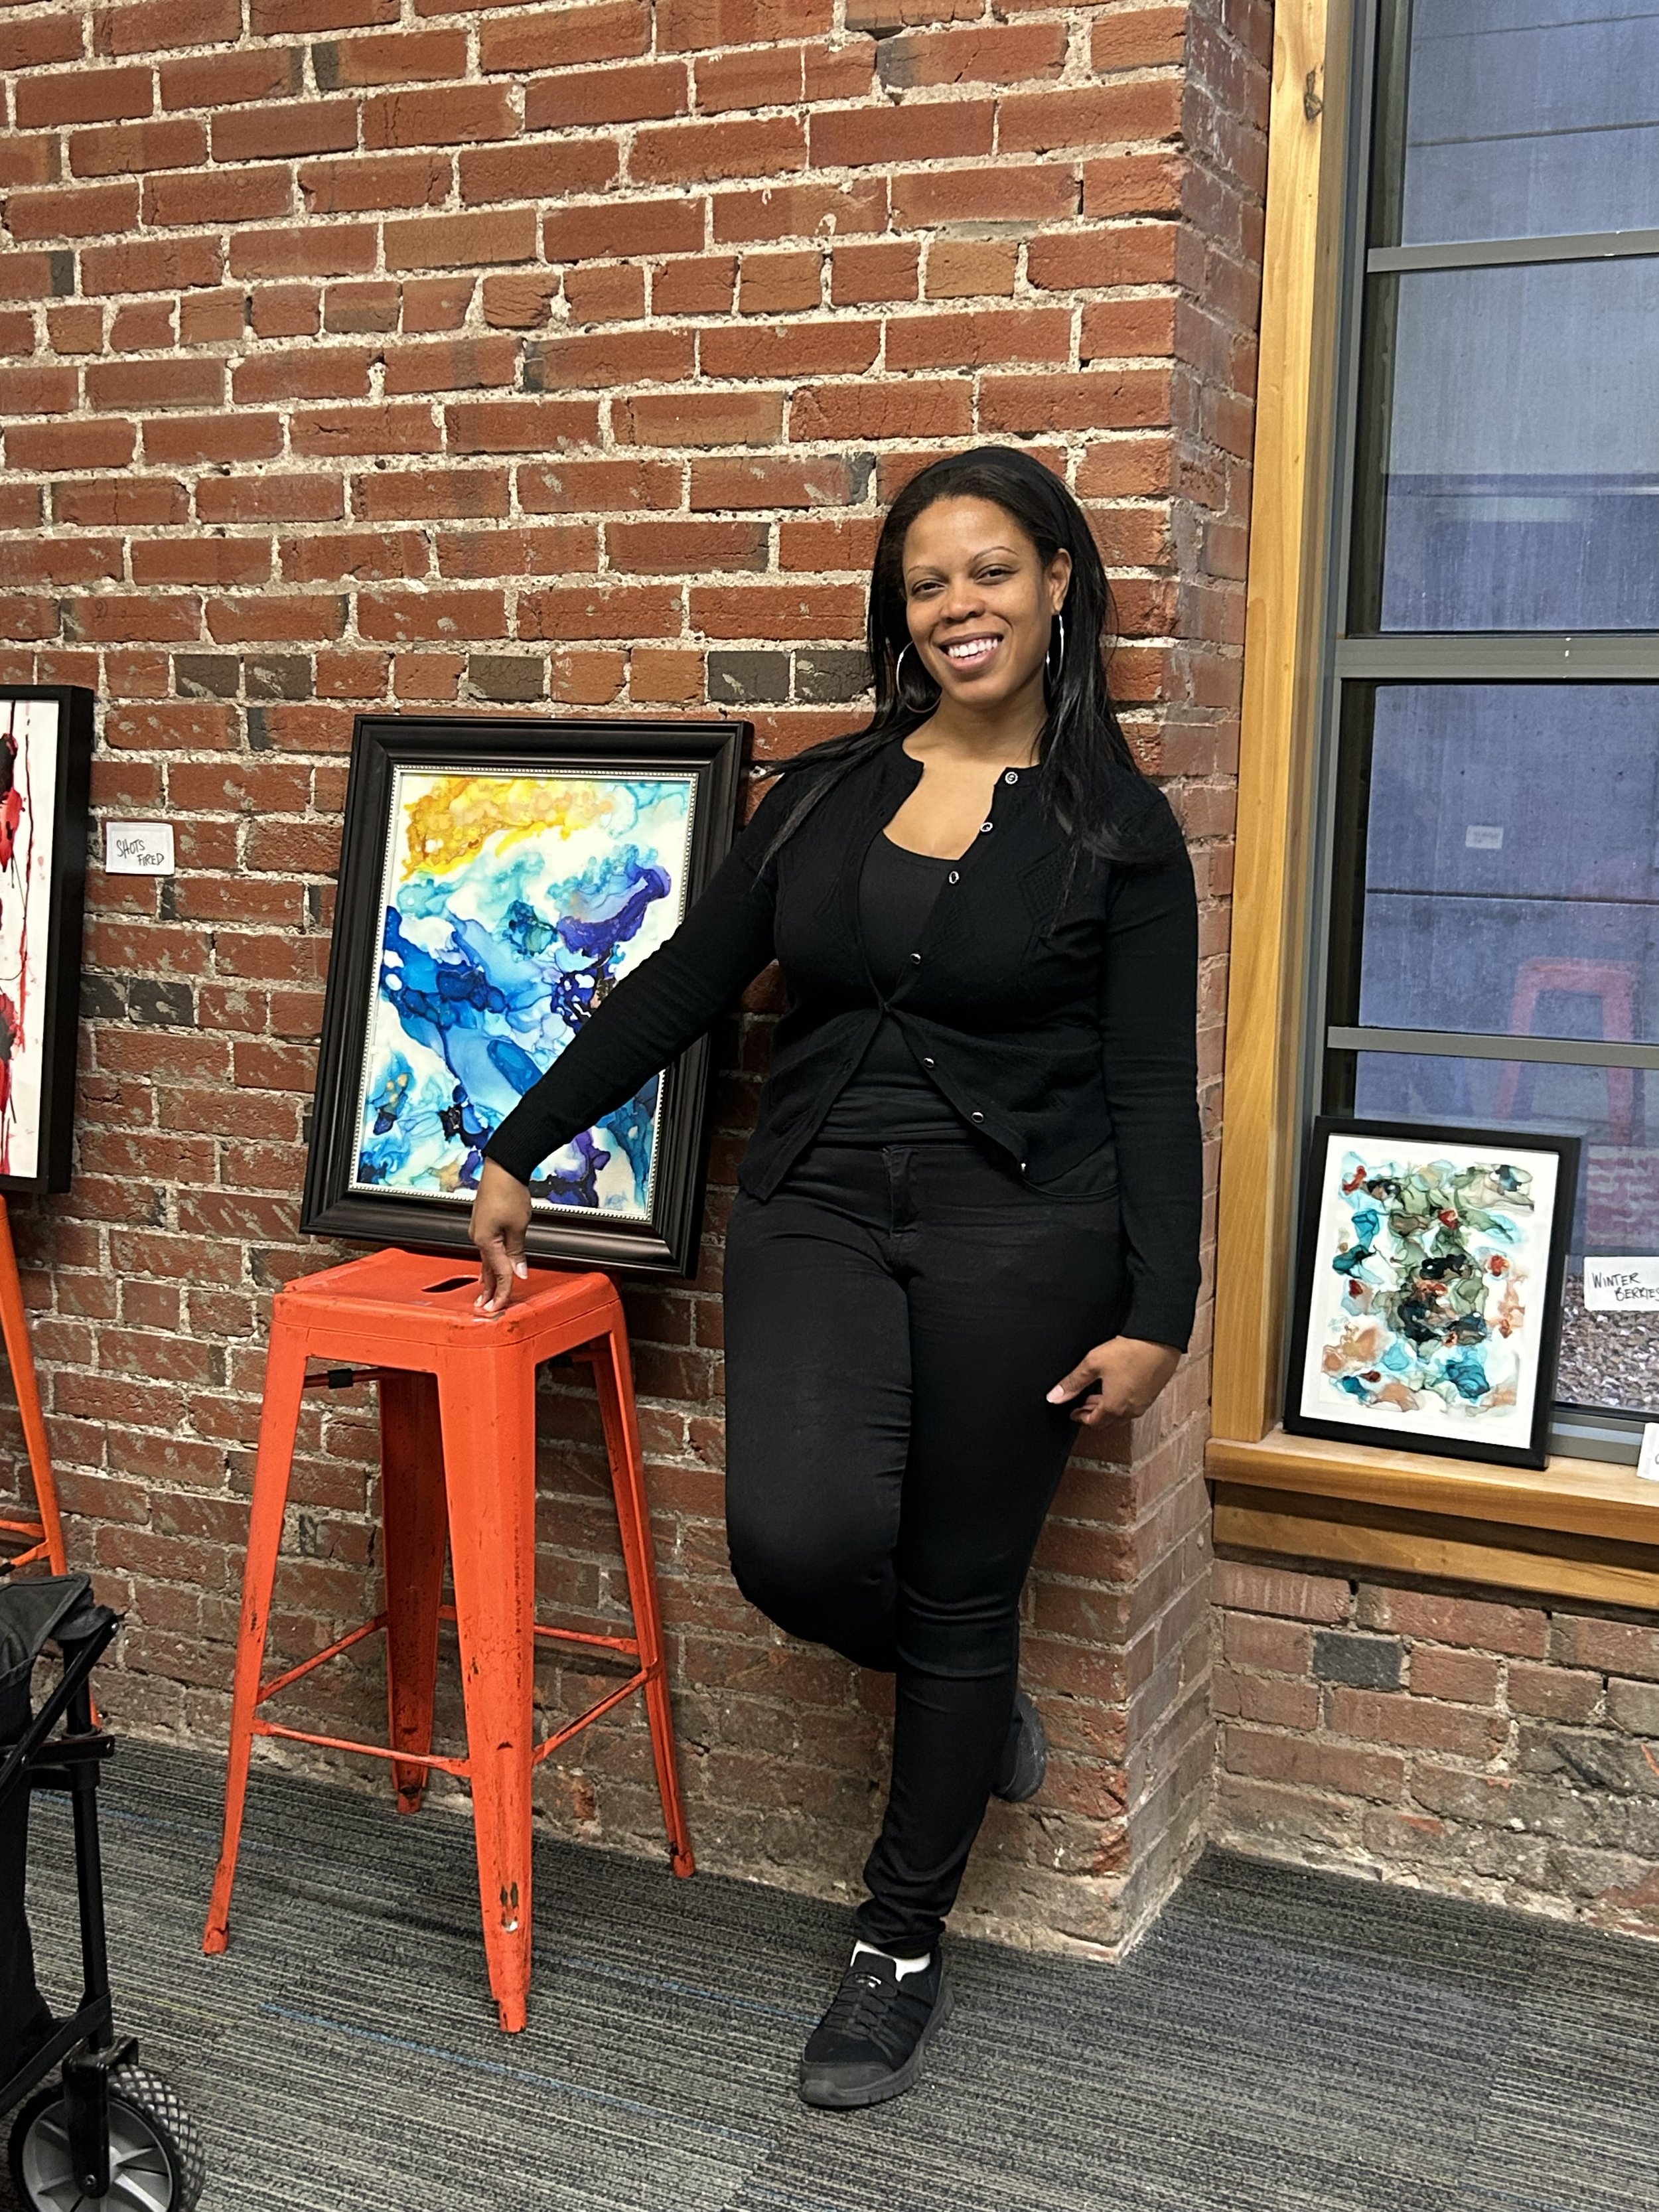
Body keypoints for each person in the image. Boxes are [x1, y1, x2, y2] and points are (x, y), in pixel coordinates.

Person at [470, 445, 1202, 2110]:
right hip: (811, 1209)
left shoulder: (1118, 830)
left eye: (992, 570)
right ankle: (968, 1698)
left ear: (1058, 583)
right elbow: (684, 986)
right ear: (901, 611)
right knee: (792, 1542)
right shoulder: (819, 793)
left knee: (959, 1582)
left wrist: (1158, 1309)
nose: (961, 604)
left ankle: (899, 1935)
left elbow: (1152, 1088)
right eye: (929, 580)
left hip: (1026, 1233)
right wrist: (522, 1141)